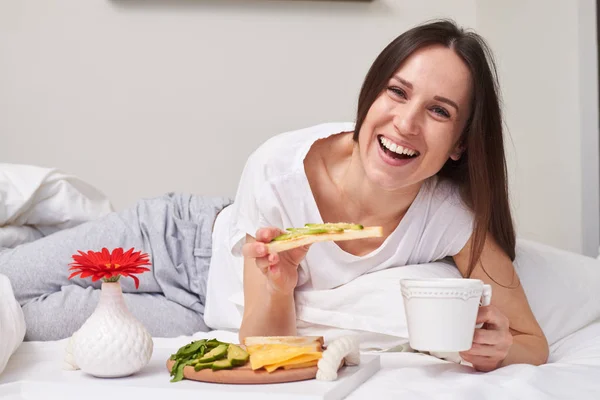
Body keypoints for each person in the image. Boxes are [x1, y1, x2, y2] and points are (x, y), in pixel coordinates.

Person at [0, 19, 548, 372]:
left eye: (439, 111)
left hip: (201, 316)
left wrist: (498, 350)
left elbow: (532, 341)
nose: (405, 123)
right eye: (397, 92)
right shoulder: (282, 168)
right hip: (175, 240)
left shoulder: (450, 217)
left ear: (459, 144)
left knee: (28, 321)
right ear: (371, 93)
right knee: (10, 278)